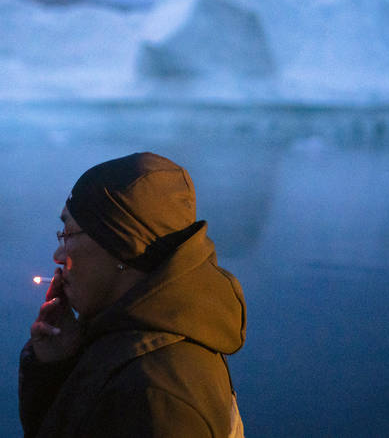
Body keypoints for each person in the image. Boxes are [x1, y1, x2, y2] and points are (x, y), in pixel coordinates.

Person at [19, 152, 246, 437]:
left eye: (68, 234)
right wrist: (56, 367)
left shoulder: (156, 397)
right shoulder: (130, 343)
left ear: (121, 246)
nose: (58, 256)